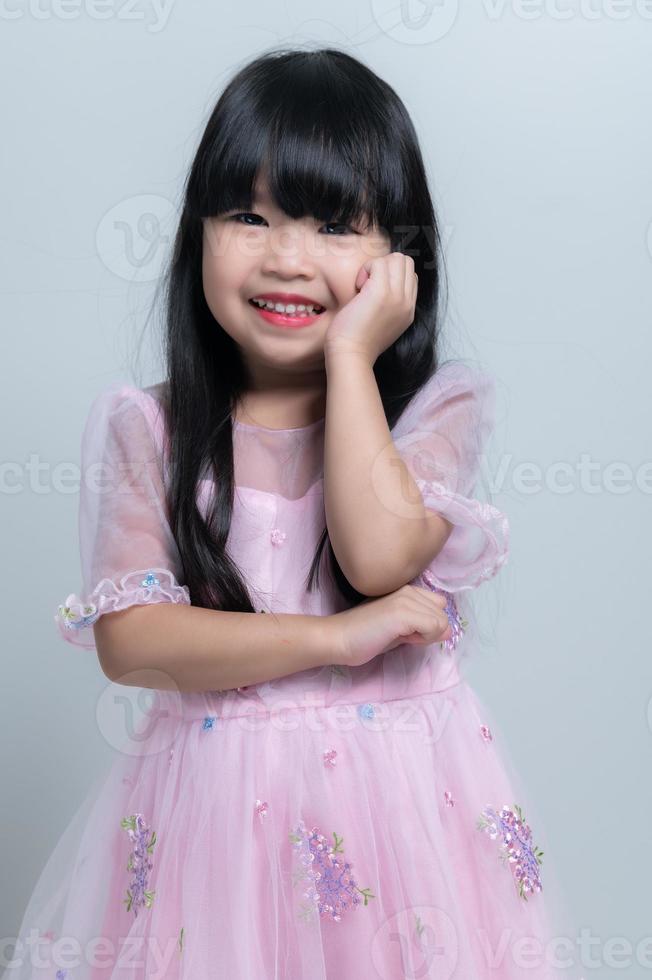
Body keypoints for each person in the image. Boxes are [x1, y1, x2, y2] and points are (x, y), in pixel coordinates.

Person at [12, 46, 574, 979]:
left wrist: (353, 360)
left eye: (334, 226)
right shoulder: (149, 428)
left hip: (406, 829)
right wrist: (334, 641)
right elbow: (133, 641)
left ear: (400, 258)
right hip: (218, 836)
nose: (286, 258)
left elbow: (380, 554)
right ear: (198, 233)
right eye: (247, 216)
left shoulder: (437, 412)